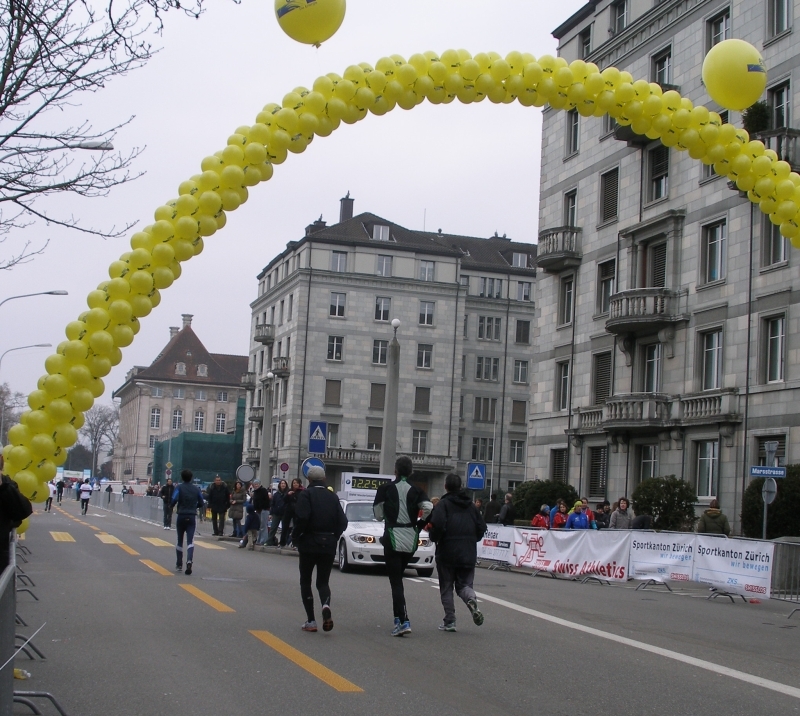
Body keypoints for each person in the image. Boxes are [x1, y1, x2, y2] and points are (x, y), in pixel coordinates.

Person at [373, 455, 433, 637]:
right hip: (411, 539)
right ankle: (397, 618)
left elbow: (378, 515)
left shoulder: (385, 488)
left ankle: (403, 620)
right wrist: (419, 525)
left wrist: (387, 515)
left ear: (395, 471)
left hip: (392, 536)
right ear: (411, 471)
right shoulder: (417, 489)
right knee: (398, 578)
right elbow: (429, 507)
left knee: (396, 581)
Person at [428, 473, 486, 632]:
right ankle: (471, 598)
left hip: (447, 551)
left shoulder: (443, 505)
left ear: (445, 486)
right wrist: (471, 540)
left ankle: (450, 620)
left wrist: (434, 538)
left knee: (446, 586)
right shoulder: (472, 506)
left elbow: (437, 525)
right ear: (461, 486)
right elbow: (482, 527)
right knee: (464, 585)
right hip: (468, 552)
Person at [292, 466, 348, 632]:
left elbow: (302, 518)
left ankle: (311, 620)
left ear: (309, 480)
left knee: (305, 580)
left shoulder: (306, 495)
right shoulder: (333, 496)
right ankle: (325, 605)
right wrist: (334, 536)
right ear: (324, 479)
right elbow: (343, 522)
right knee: (323, 581)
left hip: (309, 542)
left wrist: (296, 537)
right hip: (328, 543)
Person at [171, 469, 204, 575]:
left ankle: (179, 563)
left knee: (179, 540)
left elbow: (174, 499)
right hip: (191, 515)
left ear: (182, 477)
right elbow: (201, 502)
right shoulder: (196, 489)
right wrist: (194, 507)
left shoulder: (179, 487)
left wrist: (171, 506)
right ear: (191, 478)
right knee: (190, 541)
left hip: (181, 515)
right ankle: (189, 560)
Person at [282, 478, 305, 548]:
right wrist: (288, 494)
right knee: (285, 527)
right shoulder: (289, 490)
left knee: (296, 527)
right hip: (288, 510)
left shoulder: (302, 491)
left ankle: (295, 543)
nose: (295, 484)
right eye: (294, 483)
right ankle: (282, 543)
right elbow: (284, 500)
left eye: (297, 483)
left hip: (297, 511)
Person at [266, 479, 288, 546]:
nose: (283, 485)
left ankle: (283, 543)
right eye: (282, 483)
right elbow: (272, 504)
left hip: (285, 513)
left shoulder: (288, 493)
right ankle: (269, 541)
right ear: (279, 485)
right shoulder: (276, 494)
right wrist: (271, 513)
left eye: (284, 483)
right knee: (273, 527)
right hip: (276, 513)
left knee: (284, 529)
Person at [250, 479, 271, 545]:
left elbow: (265, 500)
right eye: (255, 484)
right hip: (258, 510)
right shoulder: (255, 492)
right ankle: (259, 540)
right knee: (259, 526)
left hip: (264, 510)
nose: (256, 485)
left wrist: (261, 507)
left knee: (263, 526)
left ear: (260, 484)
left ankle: (263, 540)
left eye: (257, 484)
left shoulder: (263, 490)